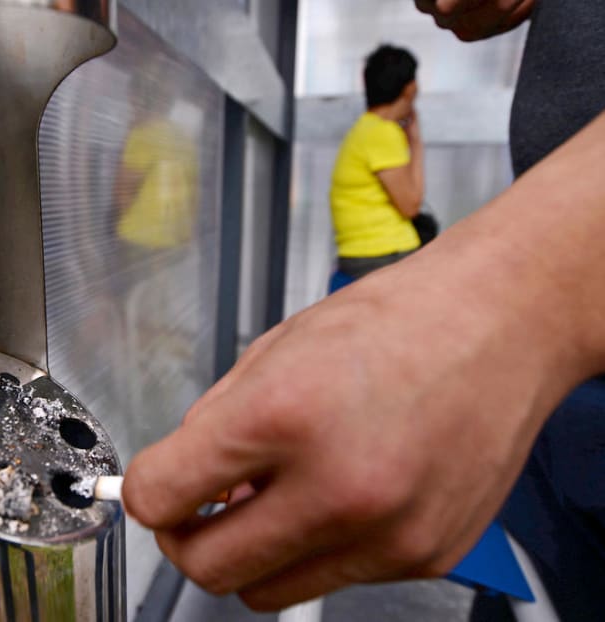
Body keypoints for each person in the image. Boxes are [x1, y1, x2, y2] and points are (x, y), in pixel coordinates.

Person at [122, 0, 605, 619]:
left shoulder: (366, 135)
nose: (424, 3)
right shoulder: (389, 135)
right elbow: (411, 200)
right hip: (560, 440)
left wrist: (502, 302)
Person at [328, 45, 424, 293]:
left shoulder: (364, 129)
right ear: (410, 88)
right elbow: (410, 204)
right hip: (383, 255)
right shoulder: (382, 133)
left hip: (358, 255)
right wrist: (416, 143)